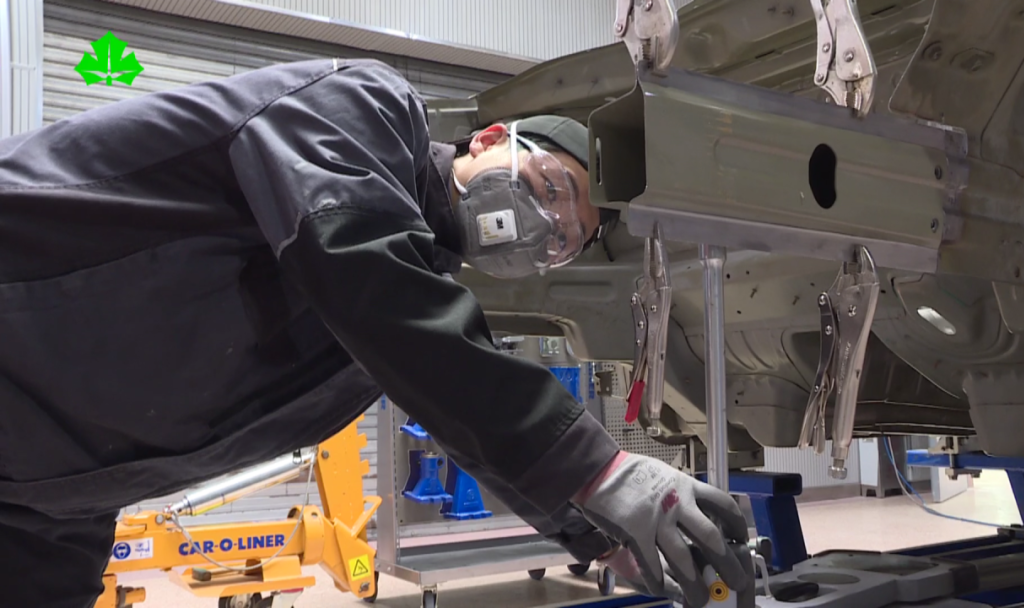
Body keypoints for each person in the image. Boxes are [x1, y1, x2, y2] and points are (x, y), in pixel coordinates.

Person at [0, 57, 752, 608]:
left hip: (46, 492)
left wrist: (601, 537)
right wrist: (600, 469)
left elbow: (456, 411)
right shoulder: (363, 108)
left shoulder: (384, 337)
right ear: (490, 139)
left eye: (561, 240)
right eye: (552, 188)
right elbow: (360, 262)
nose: (544, 226)